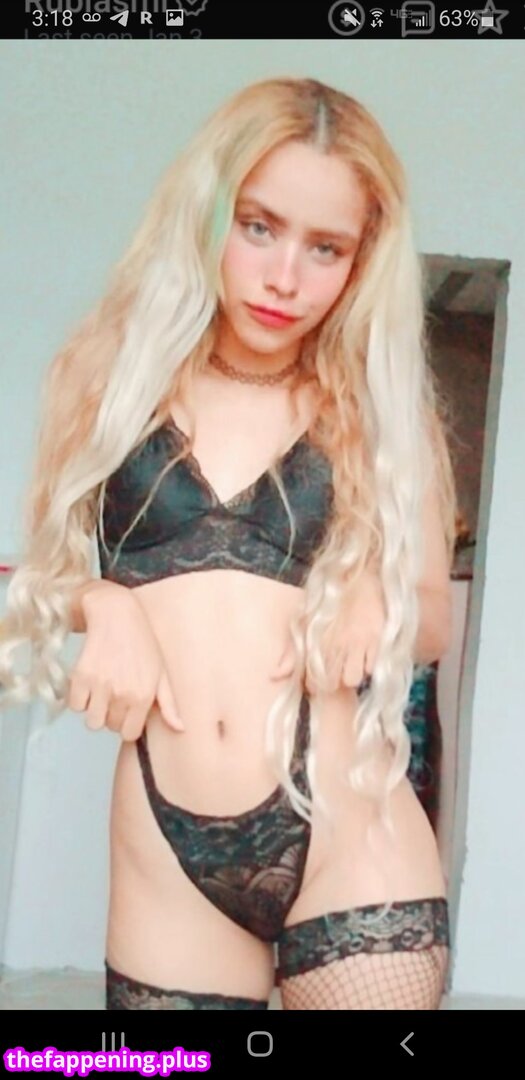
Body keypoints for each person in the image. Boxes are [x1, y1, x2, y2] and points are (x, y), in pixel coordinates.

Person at [0, 76, 457, 1010]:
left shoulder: (383, 413)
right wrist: (99, 601)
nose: (285, 277)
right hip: (166, 856)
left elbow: (432, 621)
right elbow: (32, 578)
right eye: (257, 227)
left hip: (350, 841)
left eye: (325, 247)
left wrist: (379, 600)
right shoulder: (104, 381)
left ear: (362, 259)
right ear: (206, 215)